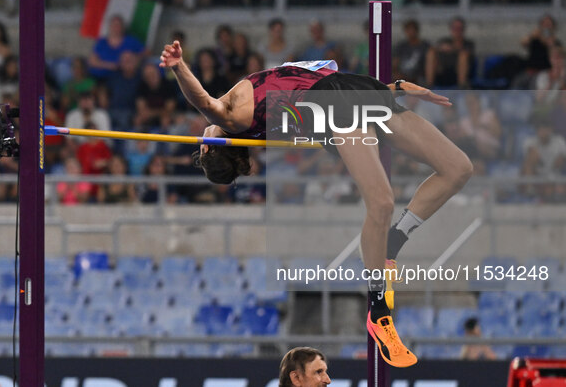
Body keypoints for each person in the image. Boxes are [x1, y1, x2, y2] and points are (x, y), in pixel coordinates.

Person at [160, 40, 473, 367]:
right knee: (381, 203)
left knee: (457, 168)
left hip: (355, 92)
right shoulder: (233, 118)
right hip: (331, 109)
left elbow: (310, 78)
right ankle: (378, 311)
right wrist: (179, 66)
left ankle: (395, 239)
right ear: (209, 146)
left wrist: (393, 87)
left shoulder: (239, 102)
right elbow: (203, 101)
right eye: (202, 146)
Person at [88, 15, 146, 80]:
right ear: (110, 27)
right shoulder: (102, 42)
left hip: (122, 77)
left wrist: (135, 59)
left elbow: (146, 52)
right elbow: (92, 61)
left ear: (122, 27)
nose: (116, 28)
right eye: (114, 25)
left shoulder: (130, 40)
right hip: (98, 76)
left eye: (118, 25)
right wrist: (111, 66)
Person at [425, 17, 474, 88]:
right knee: (431, 53)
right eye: (455, 28)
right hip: (442, 70)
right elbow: (434, 48)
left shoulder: (468, 43)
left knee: (463, 56)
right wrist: (441, 48)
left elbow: (468, 53)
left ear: (463, 29)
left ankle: (462, 86)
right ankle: (429, 85)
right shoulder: (444, 41)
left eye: (459, 28)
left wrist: (453, 48)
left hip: (457, 73)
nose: (457, 30)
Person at [393, 19, 430, 84]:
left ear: (417, 31)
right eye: (408, 30)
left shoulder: (425, 46)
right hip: (403, 78)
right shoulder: (401, 46)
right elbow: (395, 65)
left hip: (419, 78)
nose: (411, 33)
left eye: (412, 30)